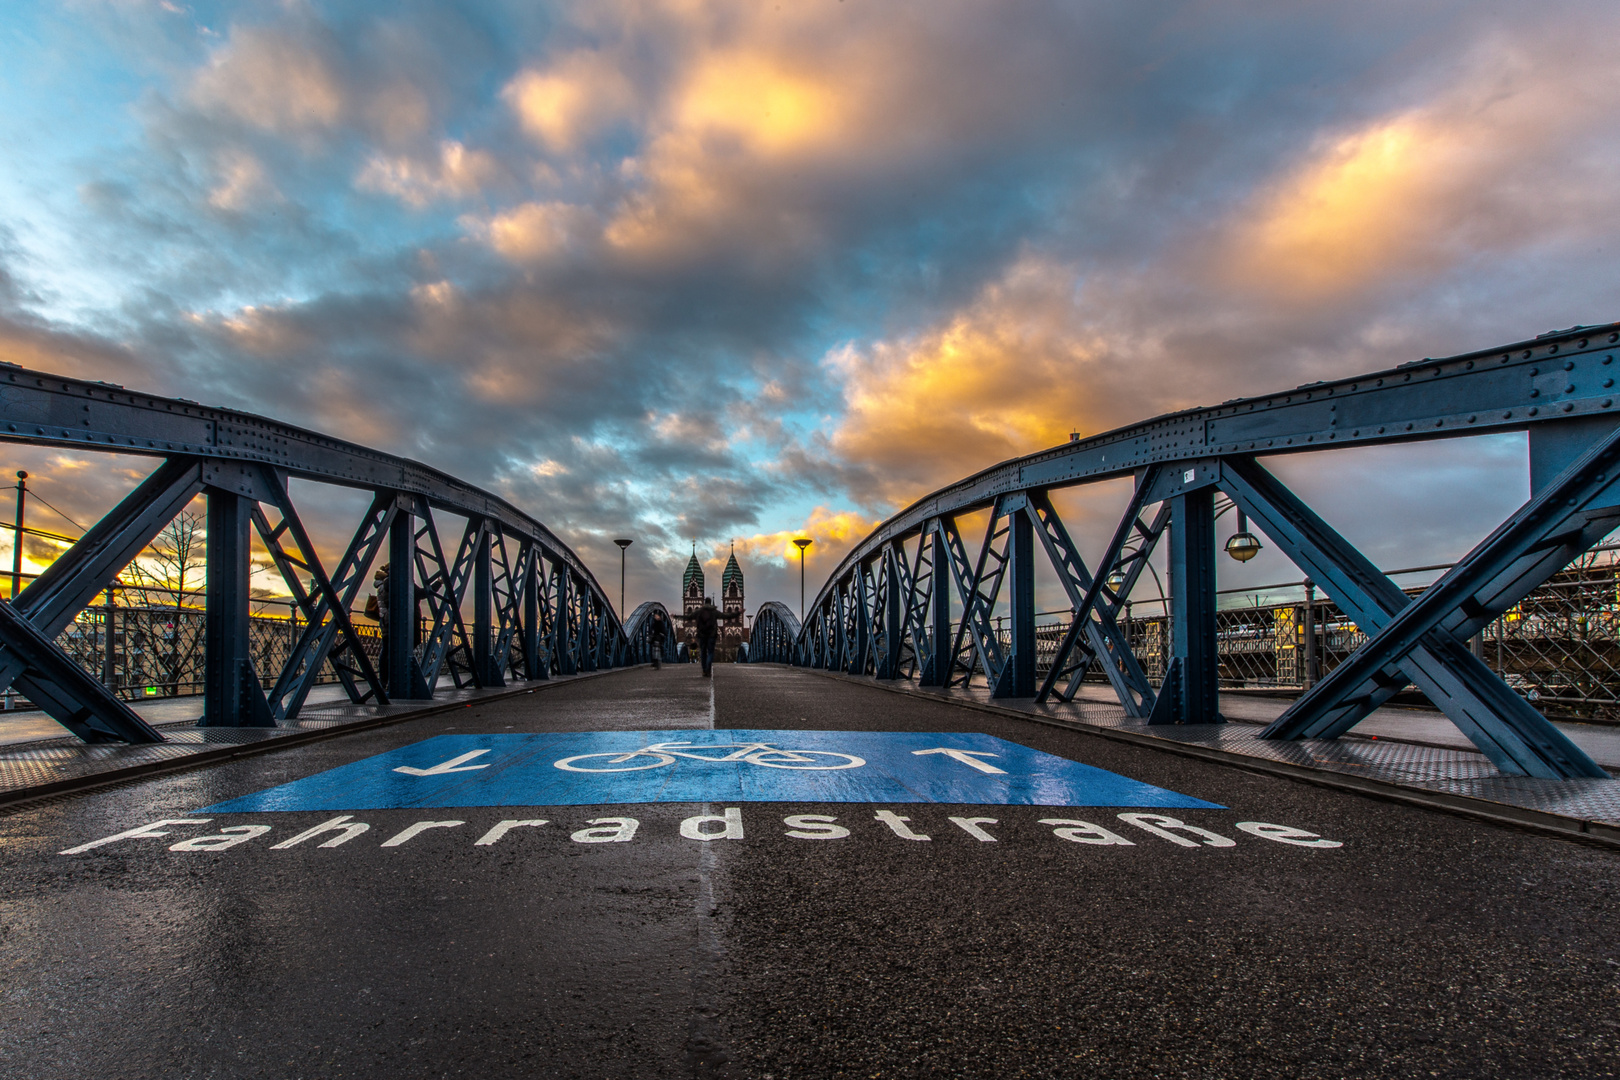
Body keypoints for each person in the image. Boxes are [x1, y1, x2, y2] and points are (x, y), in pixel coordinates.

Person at [695, 596, 720, 678]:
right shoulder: (714, 612)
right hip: (711, 635)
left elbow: (689, 616)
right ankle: (708, 668)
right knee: (710, 652)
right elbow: (726, 615)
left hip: (702, 635)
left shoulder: (700, 611)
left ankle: (704, 669)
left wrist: (676, 616)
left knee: (703, 652)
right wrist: (738, 613)